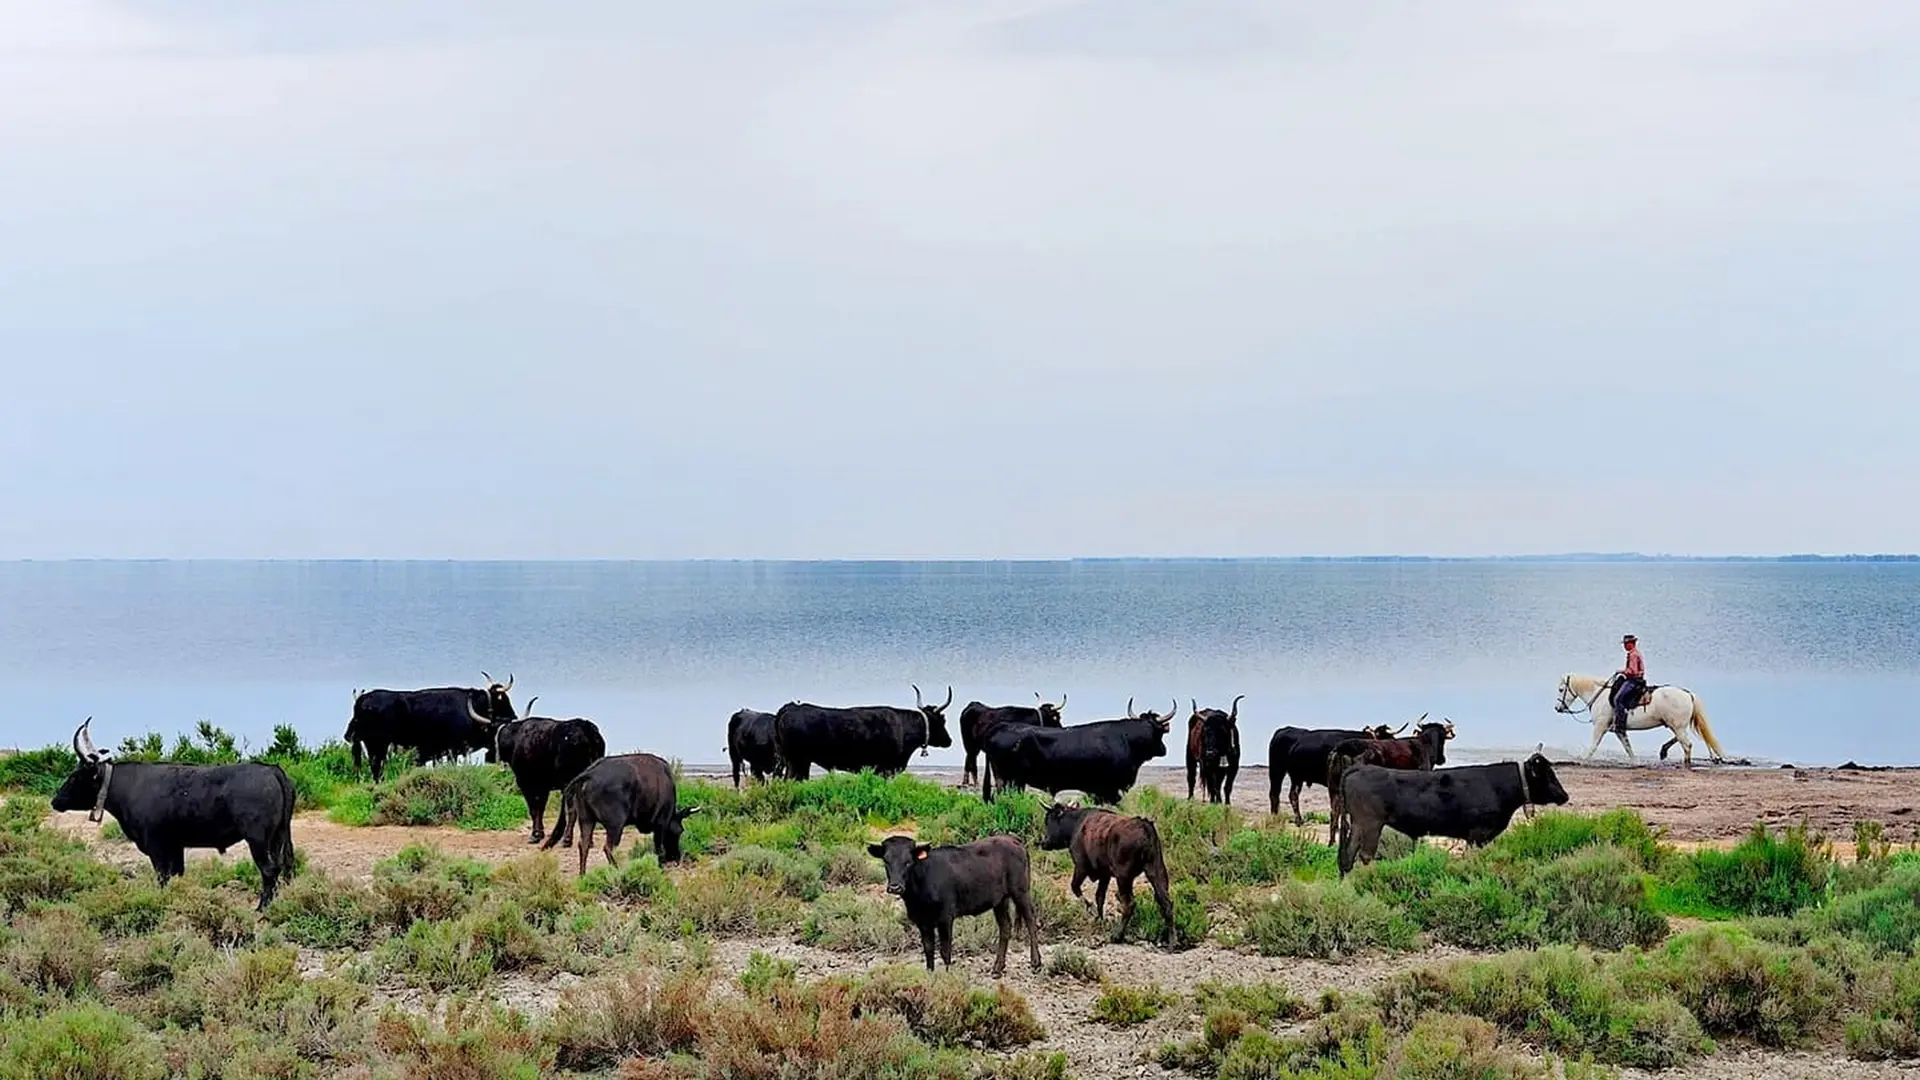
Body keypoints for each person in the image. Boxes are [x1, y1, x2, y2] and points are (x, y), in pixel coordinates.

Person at [1610, 634, 1646, 733]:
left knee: (1617, 699)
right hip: (1636, 679)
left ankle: (1620, 725)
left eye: (1626, 644)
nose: (1625, 646)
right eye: (1625, 644)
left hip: (1633, 681)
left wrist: (1621, 671)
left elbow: (1633, 671)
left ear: (1632, 644)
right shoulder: (1635, 653)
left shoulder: (1633, 655)